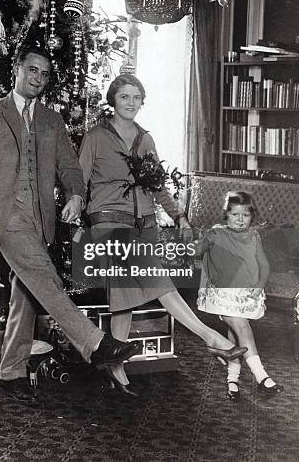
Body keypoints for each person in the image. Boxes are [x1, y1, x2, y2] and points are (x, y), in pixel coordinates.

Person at [0, 47, 142, 404]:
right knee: (46, 278)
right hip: (5, 216)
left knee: (27, 289)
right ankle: (95, 344)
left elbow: (70, 167)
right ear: (17, 70)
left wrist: (76, 195)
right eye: (32, 70)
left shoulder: (52, 120)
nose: (38, 78)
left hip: (39, 219)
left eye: (44, 74)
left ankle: (10, 370)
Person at [78, 74, 247, 397]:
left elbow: (158, 187)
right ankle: (214, 340)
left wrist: (179, 216)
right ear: (112, 99)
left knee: (124, 296)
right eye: (124, 97)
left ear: (143, 102)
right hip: (109, 222)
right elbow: (79, 182)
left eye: (136, 97)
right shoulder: (96, 137)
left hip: (144, 224)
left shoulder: (146, 140)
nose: (130, 103)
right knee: (159, 284)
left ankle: (116, 370)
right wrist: (77, 216)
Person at [196, 191, 283, 400]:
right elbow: (196, 252)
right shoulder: (216, 233)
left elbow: (264, 265)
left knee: (234, 335)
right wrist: (203, 237)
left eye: (245, 215)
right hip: (222, 294)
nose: (240, 219)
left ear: (252, 216)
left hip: (244, 293)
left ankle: (232, 380)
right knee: (243, 327)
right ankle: (261, 376)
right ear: (226, 214)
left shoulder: (253, 236)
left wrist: (259, 286)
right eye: (235, 214)